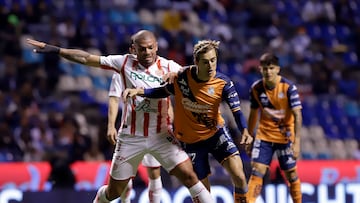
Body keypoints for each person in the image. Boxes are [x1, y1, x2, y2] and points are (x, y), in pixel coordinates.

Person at [27, 30, 214, 203]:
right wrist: (57, 50)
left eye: (151, 48)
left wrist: (199, 71)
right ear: (133, 49)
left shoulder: (170, 66)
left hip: (161, 136)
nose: (147, 52)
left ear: (156, 46)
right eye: (142, 49)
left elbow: (195, 78)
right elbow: (87, 58)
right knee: (114, 192)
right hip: (131, 138)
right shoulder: (123, 62)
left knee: (189, 177)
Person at [123, 40, 253, 203]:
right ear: (197, 62)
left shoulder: (223, 83)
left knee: (239, 176)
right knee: (203, 195)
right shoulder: (182, 78)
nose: (211, 65)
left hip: (216, 134)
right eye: (205, 62)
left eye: (213, 60)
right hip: (191, 142)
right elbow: (163, 91)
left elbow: (237, 111)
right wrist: (140, 91)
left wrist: (245, 131)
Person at [246, 53, 303, 203]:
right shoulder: (256, 88)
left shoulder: (289, 88)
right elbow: (253, 114)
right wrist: (249, 136)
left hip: (285, 136)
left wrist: (297, 142)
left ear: (278, 69)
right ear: (260, 69)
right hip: (264, 136)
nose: (268, 72)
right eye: (265, 68)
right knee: (257, 170)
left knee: (291, 174)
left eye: (271, 68)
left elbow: (298, 115)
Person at [109, 73, 163, 203]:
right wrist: (111, 125)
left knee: (154, 172)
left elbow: (163, 95)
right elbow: (114, 98)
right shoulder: (119, 72)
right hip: (129, 131)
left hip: (152, 129)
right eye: (136, 50)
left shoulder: (156, 69)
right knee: (124, 175)